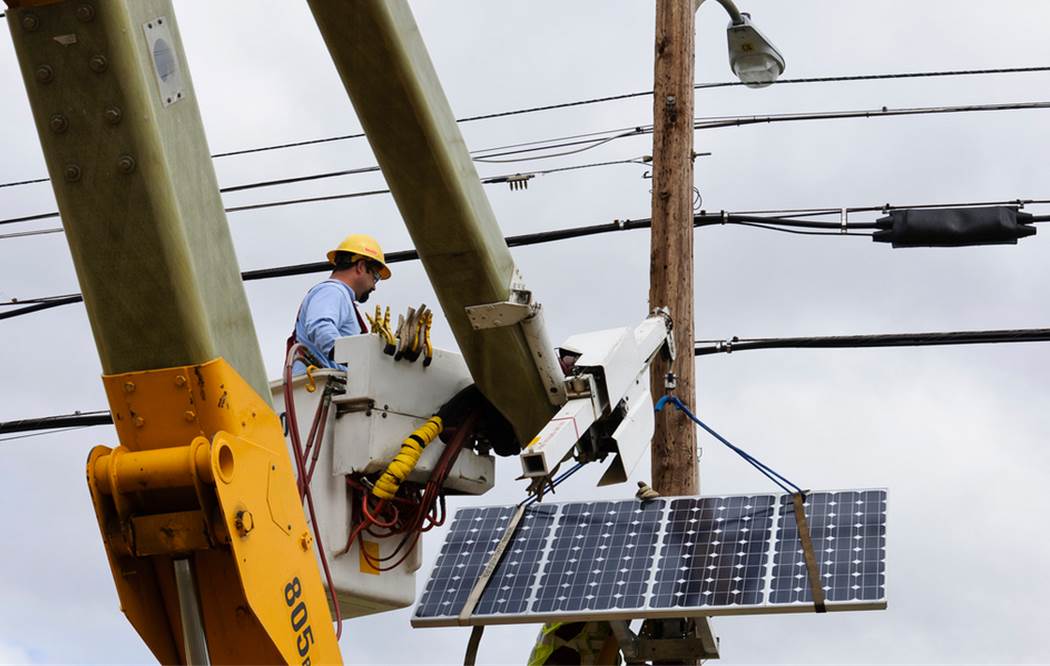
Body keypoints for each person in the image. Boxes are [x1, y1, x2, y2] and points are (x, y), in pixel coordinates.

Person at [289, 233, 391, 374]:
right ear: (361, 266)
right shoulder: (333, 291)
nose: (374, 286)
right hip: (317, 388)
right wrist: (357, 360)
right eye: (375, 276)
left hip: (324, 387)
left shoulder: (339, 296)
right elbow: (320, 326)